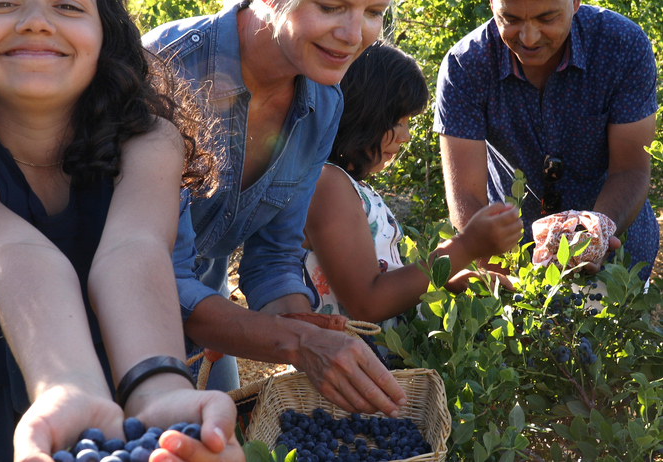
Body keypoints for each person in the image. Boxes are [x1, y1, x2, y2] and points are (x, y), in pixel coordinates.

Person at [0, 0, 242, 461]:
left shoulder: (150, 139)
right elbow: (16, 251)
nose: (36, 22)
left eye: (68, 5)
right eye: (3, 3)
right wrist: (68, 390)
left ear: (105, 36)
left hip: (137, 349)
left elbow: (135, 247)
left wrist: (159, 391)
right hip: (8, 388)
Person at [143, 0, 408, 417]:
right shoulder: (169, 70)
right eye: (330, 6)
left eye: (374, 12)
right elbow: (154, 275)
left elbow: (274, 258)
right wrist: (295, 343)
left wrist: (304, 329)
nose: (354, 35)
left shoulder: (323, 102)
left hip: (202, 301)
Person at [302, 41, 523, 326]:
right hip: (355, 366)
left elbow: (384, 282)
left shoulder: (349, 186)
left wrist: (445, 281)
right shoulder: (328, 184)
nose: (405, 136)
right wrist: (466, 246)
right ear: (362, 113)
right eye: (398, 120)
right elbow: (368, 302)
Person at [433, 0, 658, 280]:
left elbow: (630, 170)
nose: (529, 37)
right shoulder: (466, 65)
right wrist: (513, 279)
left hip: (617, 256)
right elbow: (467, 196)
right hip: (512, 258)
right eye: (510, 19)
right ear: (491, 4)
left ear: (575, 3)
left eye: (547, 18)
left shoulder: (621, 45)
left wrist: (595, 235)